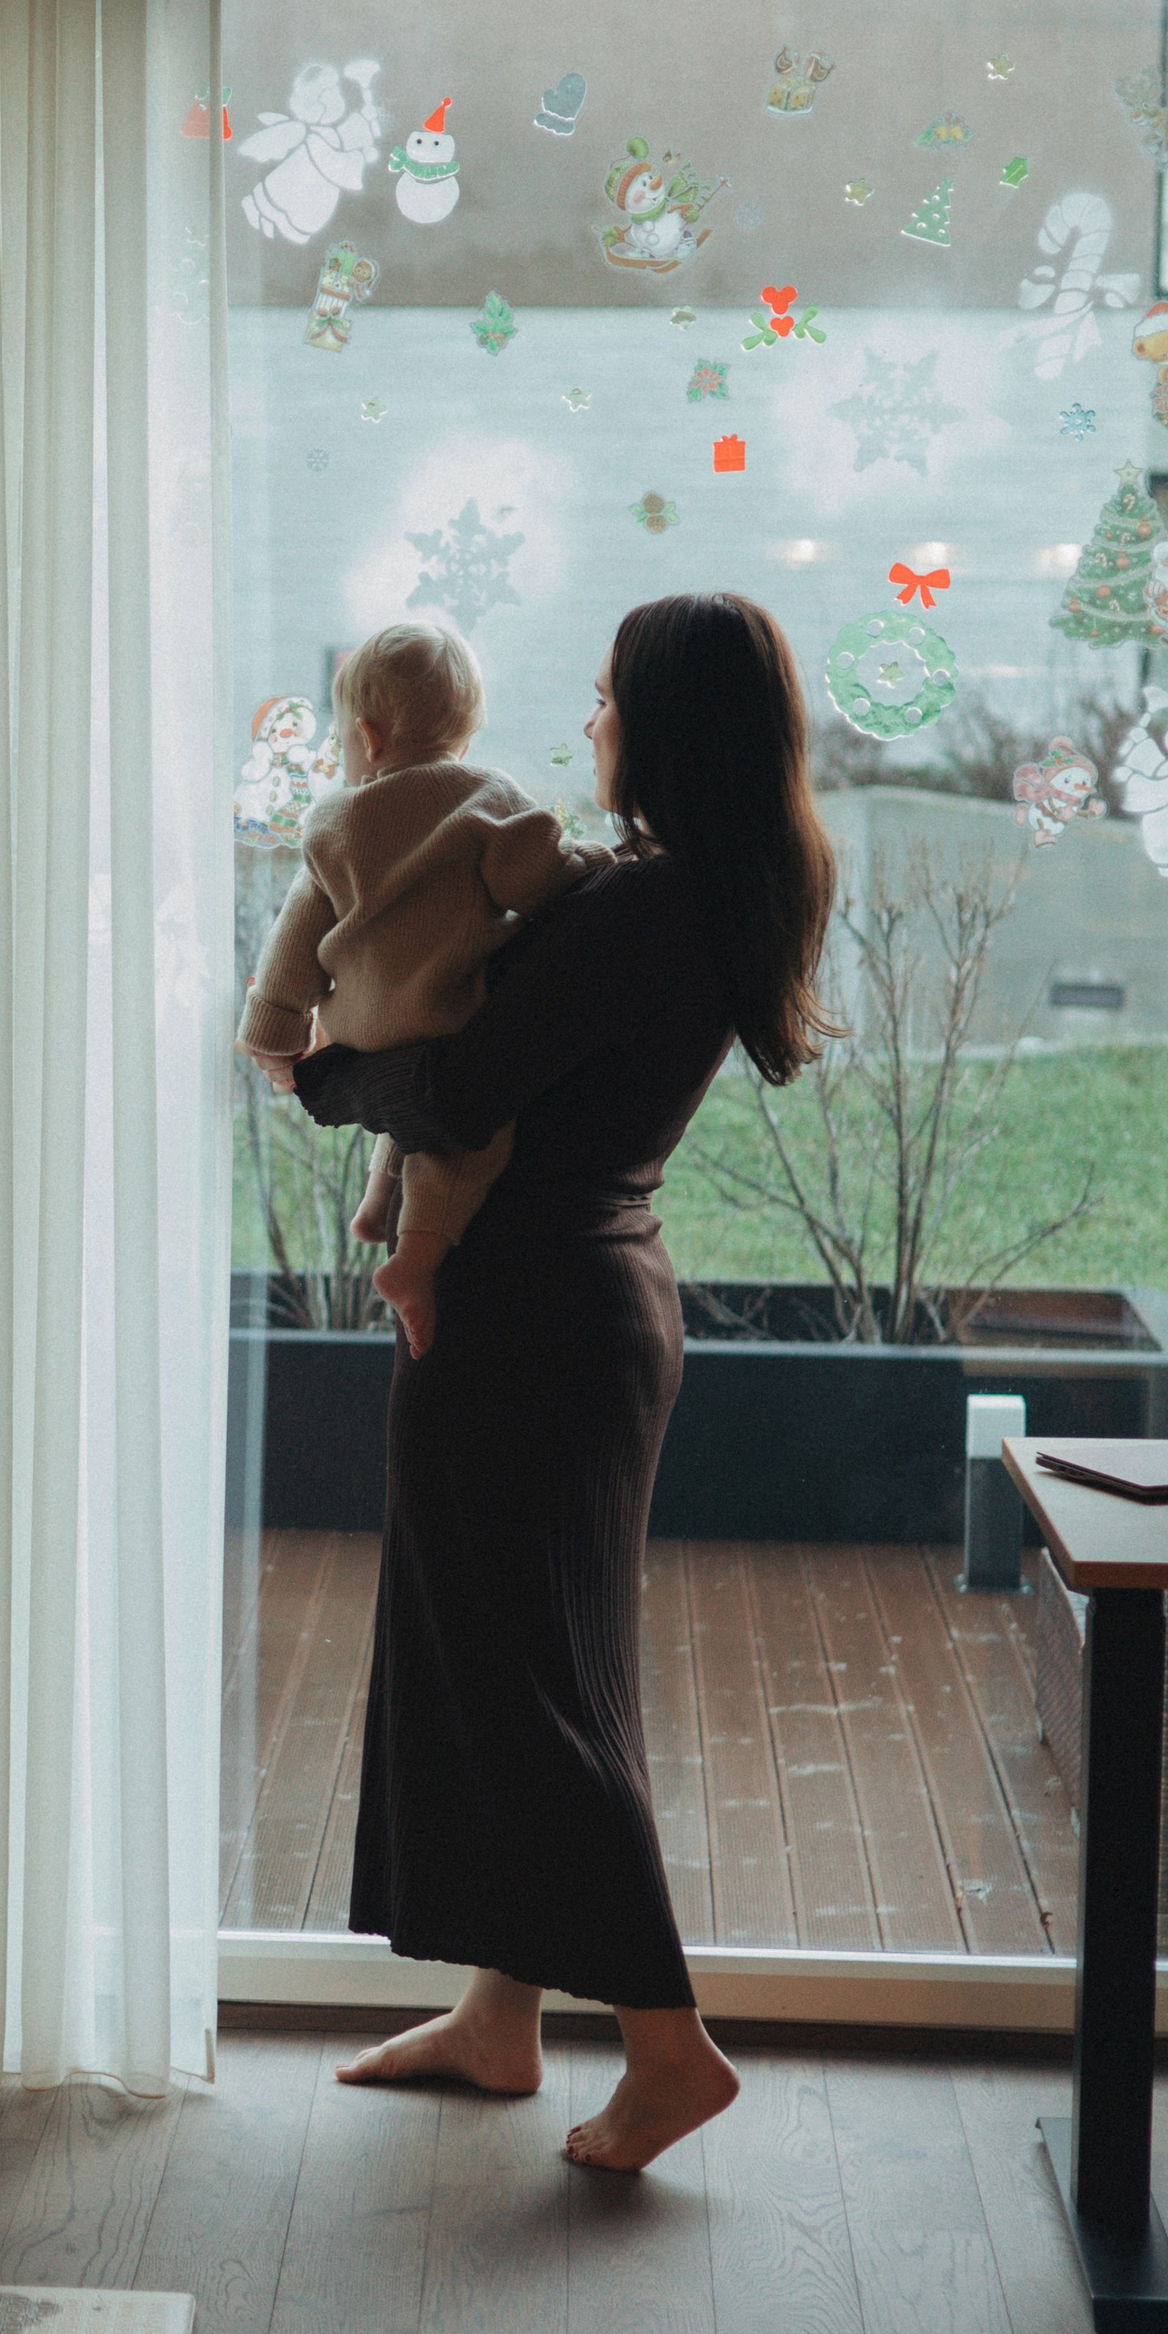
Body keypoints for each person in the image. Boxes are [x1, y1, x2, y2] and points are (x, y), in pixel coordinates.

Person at [292, 591, 836, 2171]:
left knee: (528, 1689)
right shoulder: (683, 888)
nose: (587, 723)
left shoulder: (646, 907)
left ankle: (669, 2052)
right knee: (525, 1665)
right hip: (577, 1306)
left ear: (662, 724)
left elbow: (462, 1078)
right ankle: (500, 2015)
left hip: (535, 1323)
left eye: (605, 700)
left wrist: (318, 1070)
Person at [236, 624, 608, 1358]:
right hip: (442, 1013)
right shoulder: (484, 796)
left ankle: (378, 1205)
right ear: (462, 738)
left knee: (408, 1107)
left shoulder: (331, 823)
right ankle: (414, 1262)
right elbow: (539, 880)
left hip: (356, 1026)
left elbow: (293, 940)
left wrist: (272, 1035)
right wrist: (595, 859)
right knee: (466, 1136)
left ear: (367, 740)